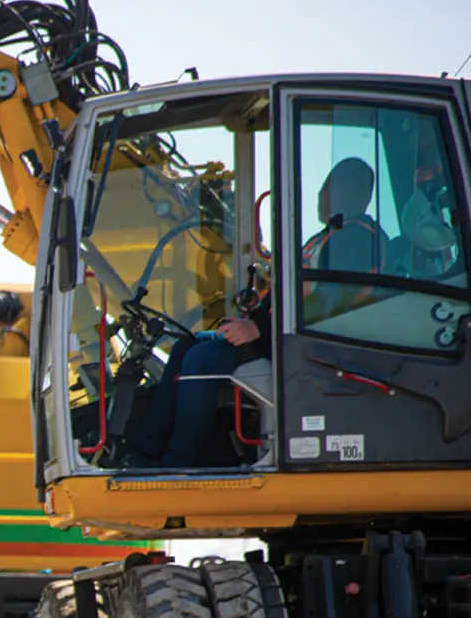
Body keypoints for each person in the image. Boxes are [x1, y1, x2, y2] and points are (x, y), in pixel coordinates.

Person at [128, 157, 386, 468]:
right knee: (186, 344)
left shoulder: (356, 239)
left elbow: (327, 303)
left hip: (311, 344)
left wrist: (258, 330)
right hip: (282, 334)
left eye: (327, 187)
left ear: (350, 192)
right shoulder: (326, 238)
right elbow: (286, 296)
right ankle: (146, 451)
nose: (321, 195)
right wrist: (249, 321)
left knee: (202, 360)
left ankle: (178, 462)